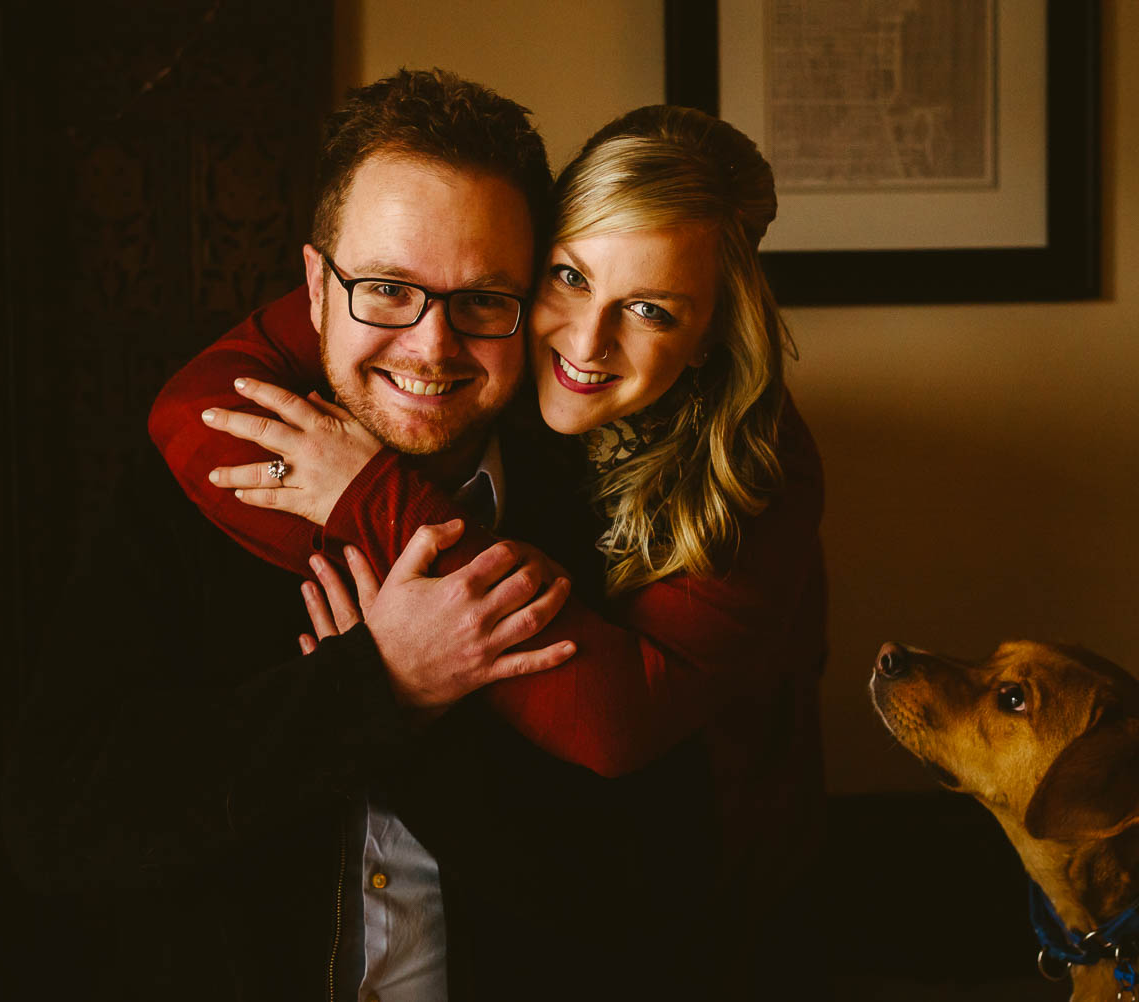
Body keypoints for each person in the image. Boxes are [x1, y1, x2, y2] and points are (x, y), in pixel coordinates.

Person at [3, 70, 719, 1002]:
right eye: (387, 289)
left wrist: (414, 721)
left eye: (482, 301)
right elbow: (56, 827)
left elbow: (655, 901)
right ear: (314, 287)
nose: (430, 347)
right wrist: (373, 687)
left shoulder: (608, 515)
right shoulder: (200, 484)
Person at [146, 104, 828, 992]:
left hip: (729, 890)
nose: (584, 343)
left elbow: (618, 724)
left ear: (709, 334)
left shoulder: (757, 464)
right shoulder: (435, 321)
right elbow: (190, 410)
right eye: (570, 277)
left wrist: (373, 509)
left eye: (652, 309)